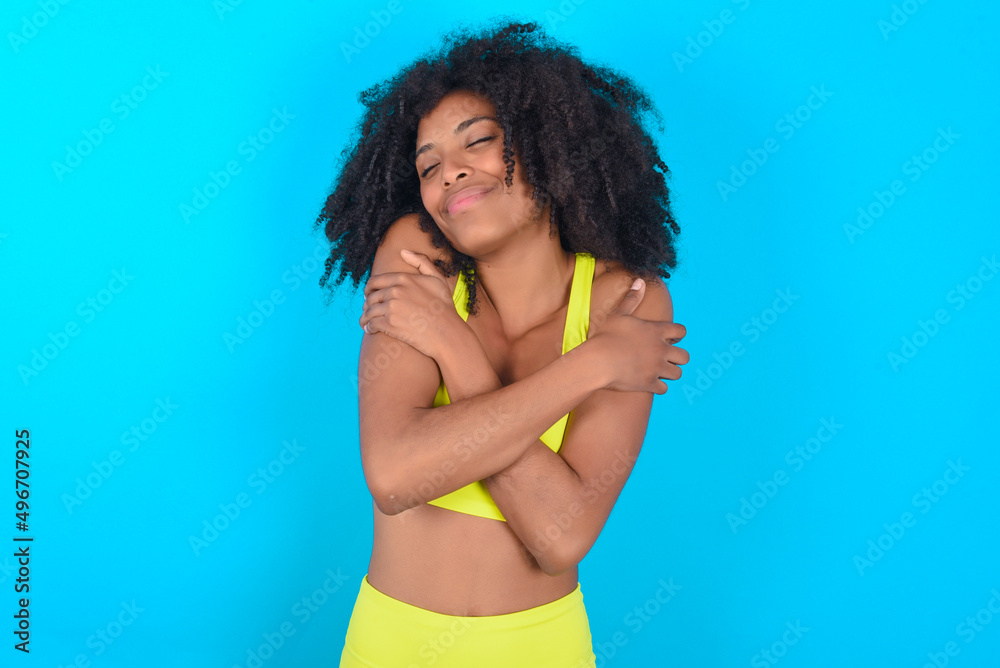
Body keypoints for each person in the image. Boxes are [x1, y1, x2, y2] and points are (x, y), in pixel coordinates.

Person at [314, 19, 689, 668]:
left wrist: (450, 349)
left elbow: (562, 536)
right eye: (428, 165)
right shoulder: (414, 250)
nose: (449, 174)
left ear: (550, 147)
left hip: (540, 647)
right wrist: (594, 364)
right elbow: (397, 474)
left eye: (477, 142)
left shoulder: (627, 300)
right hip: (393, 644)